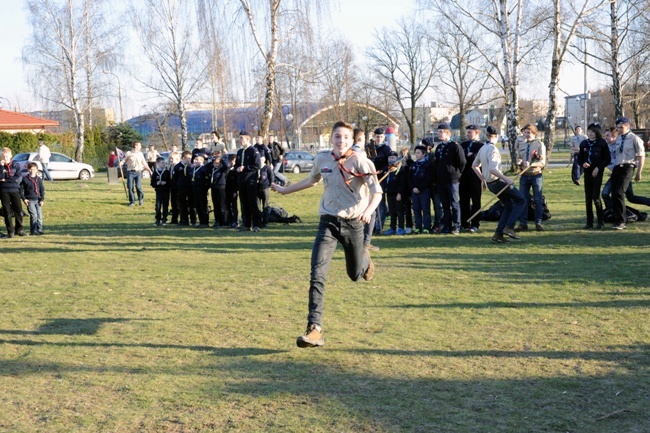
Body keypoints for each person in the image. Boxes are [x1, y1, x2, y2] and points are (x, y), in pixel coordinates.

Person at [271, 120, 382, 348]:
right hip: (328, 223)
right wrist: (284, 190)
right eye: (337, 137)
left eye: (346, 138)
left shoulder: (360, 161)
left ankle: (365, 260)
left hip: (353, 224)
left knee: (354, 274)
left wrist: (369, 211)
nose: (341, 141)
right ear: (331, 138)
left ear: (352, 140)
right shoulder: (322, 158)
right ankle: (314, 329)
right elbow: (311, 180)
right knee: (317, 274)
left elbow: (376, 191)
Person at [472, 126, 526, 243]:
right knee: (521, 200)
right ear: (496, 136)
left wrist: (483, 179)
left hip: (491, 183)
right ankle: (509, 227)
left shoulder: (483, 148)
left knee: (508, 205)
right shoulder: (492, 149)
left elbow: (474, 166)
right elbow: (493, 169)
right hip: (498, 182)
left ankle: (498, 234)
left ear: (486, 135)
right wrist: (507, 179)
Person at [608, 117, 645, 230]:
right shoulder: (619, 138)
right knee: (615, 194)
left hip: (628, 167)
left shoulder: (635, 139)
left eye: (622, 127)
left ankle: (621, 221)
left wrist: (639, 172)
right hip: (617, 168)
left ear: (628, 126)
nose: (619, 129)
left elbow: (641, 156)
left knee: (619, 192)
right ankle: (618, 217)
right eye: (618, 127)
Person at [602, 127, 650, 211]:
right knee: (630, 197)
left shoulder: (619, 145)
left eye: (608, 135)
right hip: (616, 174)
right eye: (605, 135)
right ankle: (613, 211)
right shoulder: (608, 146)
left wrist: (638, 172)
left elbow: (631, 159)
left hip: (623, 173)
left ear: (614, 137)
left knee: (607, 193)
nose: (605, 137)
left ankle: (613, 211)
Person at [431, 124, 466, 235]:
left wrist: (456, 174)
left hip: (452, 180)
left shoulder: (455, 146)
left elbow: (462, 162)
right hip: (441, 180)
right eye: (438, 131)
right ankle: (447, 226)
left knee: (454, 203)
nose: (439, 134)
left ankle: (456, 226)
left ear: (447, 133)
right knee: (445, 205)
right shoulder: (439, 147)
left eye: (441, 131)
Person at [576, 123, 610, 229]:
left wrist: (598, 168)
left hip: (597, 173)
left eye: (593, 132)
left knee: (596, 197)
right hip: (587, 172)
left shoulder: (602, 143)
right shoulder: (584, 143)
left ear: (597, 133)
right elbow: (579, 158)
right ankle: (589, 222)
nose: (591, 134)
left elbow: (607, 159)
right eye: (589, 131)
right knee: (588, 198)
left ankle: (600, 221)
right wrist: (583, 164)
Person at [515, 124, 546, 232]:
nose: (527, 134)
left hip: (536, 175)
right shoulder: (522, 144)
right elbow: (519, 157)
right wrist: (518, 162)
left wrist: (531, 164)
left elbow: (542, 162)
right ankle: (523, 223)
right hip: (524, 176)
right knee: (523, 199)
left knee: (537, 200)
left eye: (529, 132)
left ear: (534, 133)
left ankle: (538, 222)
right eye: (525, 132)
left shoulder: (539, 145)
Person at [459, 124, 484, 233]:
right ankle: (464, 222)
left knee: (475, 200)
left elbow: (480, 159)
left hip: (475, 176)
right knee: (464, 200)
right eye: (467, 132)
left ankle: (475, 223)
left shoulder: (481, 145)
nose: (468, 134)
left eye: (470, 132)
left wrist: (473, 155)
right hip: (464, 176)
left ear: (476, 133)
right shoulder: (463, 145)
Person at [235, 131, 262, 232]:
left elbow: (257, 165)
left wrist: (245, 168)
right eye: (239, 138)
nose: (240, 140)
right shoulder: (239, 152)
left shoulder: (253, 151)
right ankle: (246, 224)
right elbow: (237, 164)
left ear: (247, 139)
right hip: (242, 181)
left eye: (242, 138)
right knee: (244, 203)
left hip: (251, 180)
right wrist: (237, 168)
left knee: (253, 203)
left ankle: (256, 224)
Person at [0, 147, 25, 238]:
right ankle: (10, 231)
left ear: (11, 156)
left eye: (7, 156)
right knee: (7, 212)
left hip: (15, 190)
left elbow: (18, 178)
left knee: (18, 210)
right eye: (3, 156)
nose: (5, 158)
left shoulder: (16, 165)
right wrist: (1, 166)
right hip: (3, 191)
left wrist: (5, 179)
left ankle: (19, 229)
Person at [408, 145, 433, 234]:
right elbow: (409, 178)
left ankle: (426, 227)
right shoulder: (413, 165)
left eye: (418, 153)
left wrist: (420, 188)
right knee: (416, 209)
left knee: (425, 209)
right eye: (415, 153)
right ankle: (418, 227)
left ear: (424, 154)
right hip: (414, 191)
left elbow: (429, 179)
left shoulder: (428, 166)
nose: (416, 155)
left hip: (424, 190)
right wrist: (413, 188)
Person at [121, 141, 152, 206]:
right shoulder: (129, 153)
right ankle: (132, 201)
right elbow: (124, 160)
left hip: (138, 172)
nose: (140, 147)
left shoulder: (140, 154)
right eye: (139, 145)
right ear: (136, 146)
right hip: (130, 172)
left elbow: (144, 163)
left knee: (138, 187)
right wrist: (121, 163)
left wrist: (149, 170)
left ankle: (140, 199)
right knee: (130, 187)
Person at [20, 162, 45, 235]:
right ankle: (33, 230)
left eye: (34, 169)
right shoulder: (25, 179)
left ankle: (39, 229)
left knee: (39, 215)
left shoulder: (39, 179)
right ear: (28, 169)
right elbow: (21, 190)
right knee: (34, 215)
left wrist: (42, 199)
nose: (32, 171)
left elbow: (42, 190)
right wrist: (24, 199)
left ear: (37, 170)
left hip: (38, 200)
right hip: (29, 200)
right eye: (30, 169)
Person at [173, 150, 195, 226]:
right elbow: (174, 178)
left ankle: (193, 220)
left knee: (192, 204)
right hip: (181, 188)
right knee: (182, 204)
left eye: (190, 158)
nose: (189, 160)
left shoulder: (192, 166)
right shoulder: (177, 167)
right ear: (183, 158)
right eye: (188, 158)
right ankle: (184, 220)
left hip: (190, 188)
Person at [209, 151, 230, 228]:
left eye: (217, 163)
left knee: (222, 205)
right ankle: (218, 221)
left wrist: (223, 158)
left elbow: (227, 166)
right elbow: (206, 167)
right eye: (214, 163)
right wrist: (212, 159)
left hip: (221, 187)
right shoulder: (212, 169)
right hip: (214, 187)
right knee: (216, 205)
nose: (215, 165)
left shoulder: (222, 169)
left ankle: (225, 222)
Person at [150, 157, 171, 226]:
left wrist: (166, 183)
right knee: (158, 206)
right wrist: (157, 183)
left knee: (165, 205)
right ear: (157, 163)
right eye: (162, 163)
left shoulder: (167, 172)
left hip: (166, 191)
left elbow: (170, 182)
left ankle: (164, 219)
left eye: (164, 163)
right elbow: (152, 183)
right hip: (158, 191)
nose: (164, 164)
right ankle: (158, 219)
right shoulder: (155, 173)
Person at [191, 155, 210, 228]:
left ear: (202, 161)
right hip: (195, 188)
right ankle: (201, 221)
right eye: (194, 159)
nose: (195, 161)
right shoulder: (194, 168)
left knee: (203, 205)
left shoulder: (203, 168)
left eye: (197, 160)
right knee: (197, 205)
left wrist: (205, 187)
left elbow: (207, 179)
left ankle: (205, 222)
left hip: (202, 189)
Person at [258, 155, 274, 227]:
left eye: (262, 159)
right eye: (259, 159)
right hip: (257, 188)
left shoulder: (267, 168)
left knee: (265, 205)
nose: (260, 161)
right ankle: (258, 221)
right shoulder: (256, 167)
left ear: (264, 160)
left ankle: (265, 221)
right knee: (257, 206)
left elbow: (271, 177)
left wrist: (270, 185)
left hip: (265, 188)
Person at [225, 153, 239, 228]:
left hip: (233, 189)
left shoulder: (236, 169)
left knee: (234, 206)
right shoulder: (227, 169)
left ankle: (235, 221)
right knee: (227, 206)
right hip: (227, 189)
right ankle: (229, 221)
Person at [168, 152, 181, 225]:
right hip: (172, 187)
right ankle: (174, 219)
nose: (171, 160)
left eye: (172, 158)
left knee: (178, 203)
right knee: (173, 203)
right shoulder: (171, 166)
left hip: (177, 187)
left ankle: (181, 218)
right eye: (170, 158)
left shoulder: (178, 167)